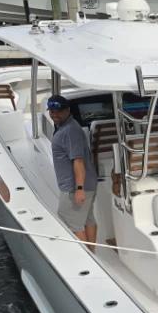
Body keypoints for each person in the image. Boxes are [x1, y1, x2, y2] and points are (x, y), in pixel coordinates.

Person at [48, 95, 99, 252]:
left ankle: (89, 260)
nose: (55, 114)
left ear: (68, 110)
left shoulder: (69, 131)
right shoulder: (68, 127)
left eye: (59, 111)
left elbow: (78, 161)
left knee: (71, 224)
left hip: (74, 188)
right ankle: (93, 254)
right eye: (52, 111)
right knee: (88, 219)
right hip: (89, 184)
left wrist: (79, 189)